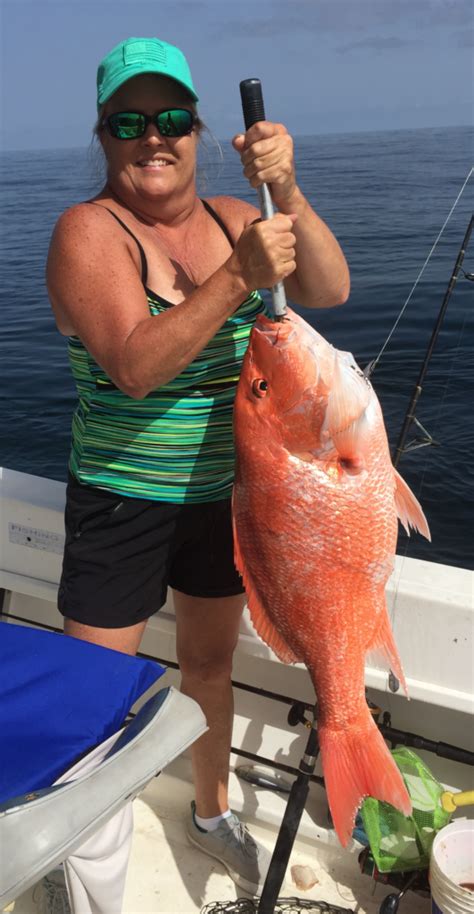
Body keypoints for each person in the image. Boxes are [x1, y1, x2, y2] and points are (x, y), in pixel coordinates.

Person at [46, 35, 350, 908]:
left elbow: (328, 287)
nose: (154, 137)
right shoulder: (86, 232)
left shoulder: (233, 212)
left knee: (210, 668)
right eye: (130, 121)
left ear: (199, 128)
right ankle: (84, 866)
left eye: (172, 117)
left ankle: (210, 814)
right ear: (104, 136)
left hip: (232, 498)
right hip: (121, 501)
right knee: (96, 695)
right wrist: (235, 281)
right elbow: (136, 366)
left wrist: (284, 189)